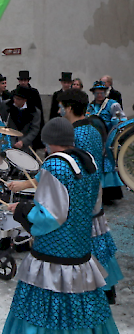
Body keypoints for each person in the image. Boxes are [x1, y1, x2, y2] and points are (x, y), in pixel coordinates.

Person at [2, 118, 118, 334]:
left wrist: (22, 210)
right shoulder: (87, 162)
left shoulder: (54, 165)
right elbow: (94, 206)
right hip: (81, 254)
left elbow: (50, 216)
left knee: (43, 312)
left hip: (52, 256)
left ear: (48, 140)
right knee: (82, 313)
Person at [58, 89, 123, 304]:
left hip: (82, 194)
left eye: (61, 106)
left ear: (68, 108)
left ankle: (98, 287)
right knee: (99, 237)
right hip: (93, 191)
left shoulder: (75, 135)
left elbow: (75, 169)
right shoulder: (92, 129)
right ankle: (108, 286)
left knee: (88, 242)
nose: (59, 110)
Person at [4, 86, 41, 152]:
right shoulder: (7, 106)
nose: (15, 100)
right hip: (9, 143)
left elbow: (35, 129)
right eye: (14, 98)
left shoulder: (34, 112)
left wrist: (23, 141)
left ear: (25, 100)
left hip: (25, 146)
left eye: (18, 99)